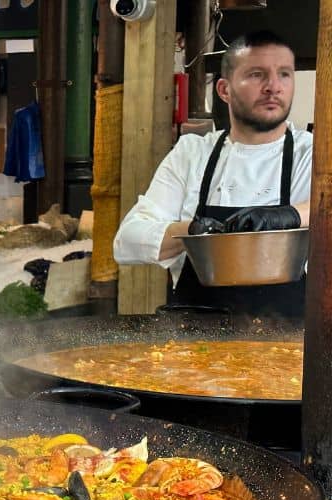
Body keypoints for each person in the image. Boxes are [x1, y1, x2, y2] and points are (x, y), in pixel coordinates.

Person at [113, 30, 312, 317]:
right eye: (257, 74)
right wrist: (194, 232)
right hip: (194, 335)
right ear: (224, 90)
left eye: (284, 74)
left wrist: (290, 216)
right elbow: (127, 241)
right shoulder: (192, 153)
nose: (273, 87)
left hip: (286, 337)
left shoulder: (314, 153)